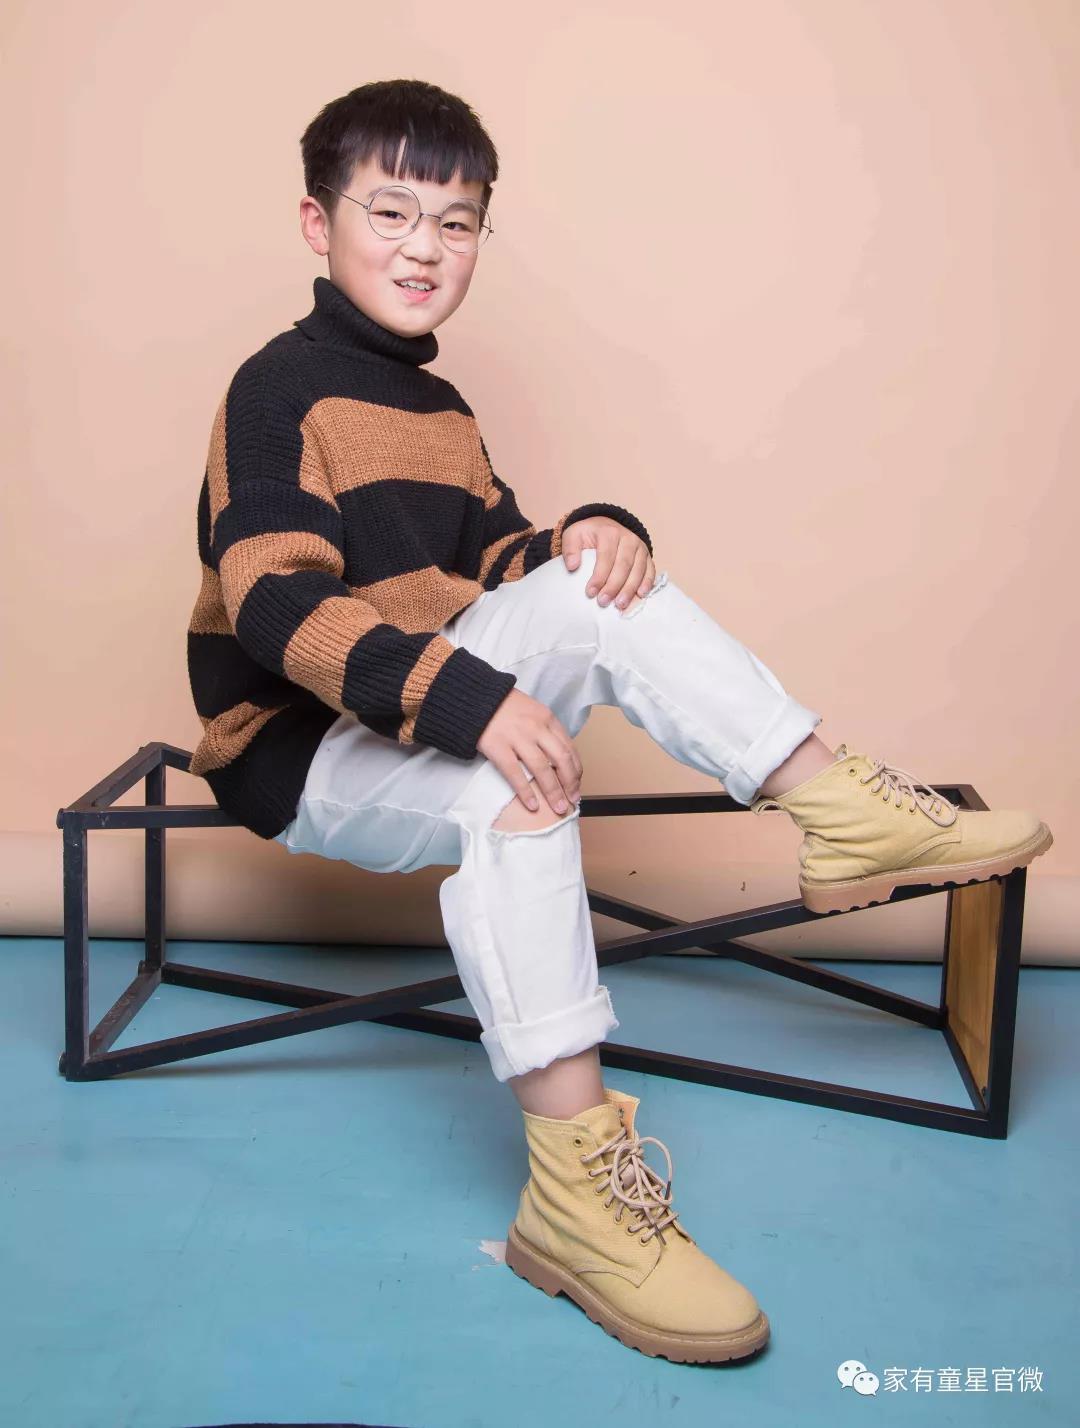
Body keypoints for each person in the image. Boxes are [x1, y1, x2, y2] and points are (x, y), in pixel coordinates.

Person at [184, 77, 1054, 1366]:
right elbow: (274, 604)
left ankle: (834, 805)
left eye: (457, 223)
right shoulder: (275, 391)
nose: (424, 248)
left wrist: (588, 537)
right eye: (391, 212)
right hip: (298, 746)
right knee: (516, 783)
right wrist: (470, 701)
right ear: (320, 224)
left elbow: (498, 566)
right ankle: (582, 1192)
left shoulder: (442, 413)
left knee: (593, 580)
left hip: (410, 701)